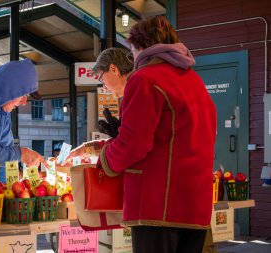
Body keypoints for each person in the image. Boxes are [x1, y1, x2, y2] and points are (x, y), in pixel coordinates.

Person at [64, 16, 217, 253]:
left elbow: (133, 143)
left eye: (132, 51)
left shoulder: (145, 78)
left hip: (158, 205)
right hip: (196, 204)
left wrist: (105, 160)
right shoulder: (194, 81)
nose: (133, 58)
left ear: (140, 47)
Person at [61, 47, 133, 159]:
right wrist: (86, 149)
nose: (104, 86)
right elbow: (125, 142)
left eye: (102, 79)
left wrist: (103, 164)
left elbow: (131, 146)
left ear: (113, 69)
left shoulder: (137, 91)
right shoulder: (130, 94)